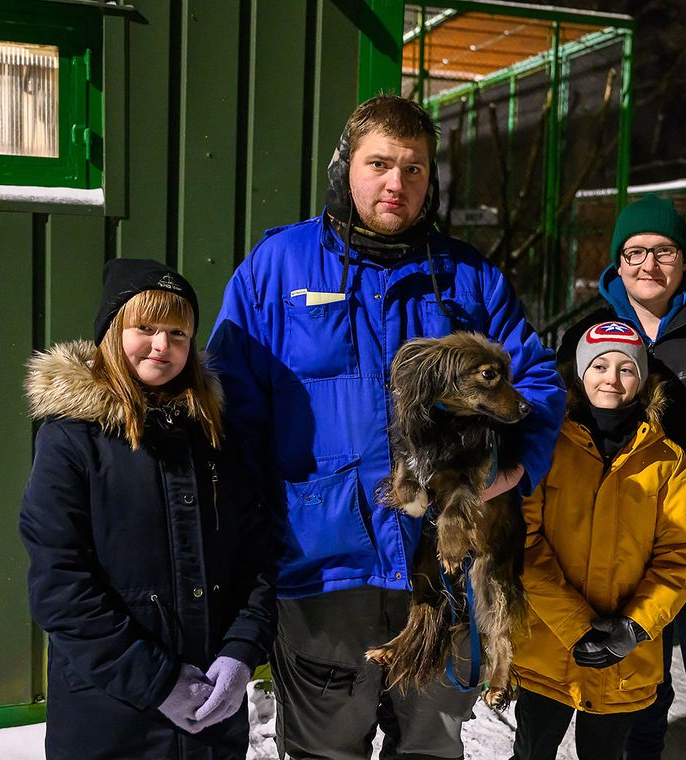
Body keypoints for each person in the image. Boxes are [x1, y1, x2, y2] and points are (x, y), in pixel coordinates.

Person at [207, 94, 565, 760]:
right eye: (380, 164)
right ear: (347, 166)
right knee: (323, 749)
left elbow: (537, 384)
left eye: (414, 168)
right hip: (321, 563)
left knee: (430, 745)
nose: (396, 183)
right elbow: (231, 410)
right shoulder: (277, 267)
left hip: (441, 565)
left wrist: (514, 471)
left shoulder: (470, 279)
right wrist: (257, 530)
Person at [19, 259, 277, 760]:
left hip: (209, 721)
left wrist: (241, 652)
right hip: (112, 722)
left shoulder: (213, 438)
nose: (163, 345)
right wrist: (157, 682)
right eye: (145, 328)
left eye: (178, 332)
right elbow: (60, 586)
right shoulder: (71, 438)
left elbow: (256, 559)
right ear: (113, 331)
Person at [558, 194, 686, 759]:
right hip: (621, 551)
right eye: (635, 251)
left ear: (684, 257)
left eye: (664, 250)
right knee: (637, 690)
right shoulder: (587, 336)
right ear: (617, 262)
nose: (649, 265)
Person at [511, 322, 686, 760]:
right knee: (531, 750)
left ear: (642, 378)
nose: (612, 379)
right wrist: (574, 624)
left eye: (626, 368)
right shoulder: (550, 446)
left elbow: (682, 555)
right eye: (599, 366)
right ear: (580, 374)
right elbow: (522, 543)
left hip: (624, 655)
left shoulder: (666, 459)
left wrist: (635, 626)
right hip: (548, 642)